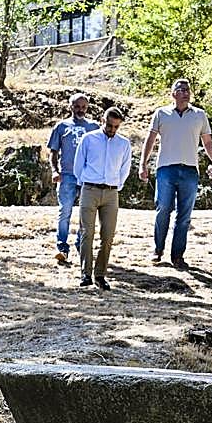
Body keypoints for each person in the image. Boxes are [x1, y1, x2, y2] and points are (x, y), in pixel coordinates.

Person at [139, 78, 212, 269]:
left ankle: (177, 256)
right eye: (181, 89)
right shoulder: (161, 113)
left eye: (188, 90)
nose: (185, 92)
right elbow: (150, 139)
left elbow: (207, 142)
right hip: (166, 169)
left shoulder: (199, 115)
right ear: (173, 93)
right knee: (163, 210)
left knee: (184, 215)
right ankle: (157, 250)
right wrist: (143, 164)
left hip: (190, 170)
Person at [72, 107, 132, 291]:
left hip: (111, 193)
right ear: (102, 120)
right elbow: (78, 166)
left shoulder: (124, 144)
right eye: (109, 125)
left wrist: (116, 185)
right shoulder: (89, 139)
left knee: (108, 235)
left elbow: (125, 168)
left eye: (116, 127)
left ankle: (100, 274)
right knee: (86, 233)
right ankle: (85, 273)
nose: (112, 130)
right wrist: (86, 182)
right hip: (90, 189)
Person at [46, 93, 100, 266]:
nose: (80, 110)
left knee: (86, 215)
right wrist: (55, 171)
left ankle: (81, 246)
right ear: (70, 106)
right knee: (65, 212)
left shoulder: (94, 127)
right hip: (67, 175)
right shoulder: (61, 127)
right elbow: (53, 153)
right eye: (77, 106)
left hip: (87, 176)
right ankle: (62, 248)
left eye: (84, 107)